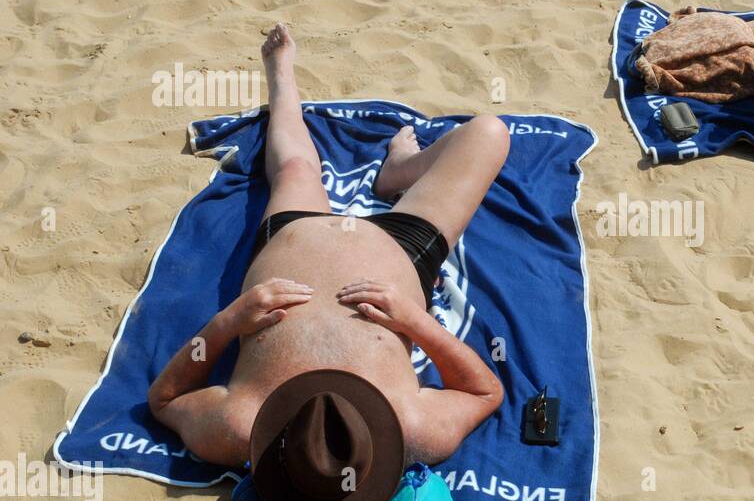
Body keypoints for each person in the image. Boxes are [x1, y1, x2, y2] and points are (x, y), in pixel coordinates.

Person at [147, 24, 507, 474]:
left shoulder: (240, 428)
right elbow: (484, 392)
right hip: (401, 254)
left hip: (293, 241)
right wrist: (415, 320)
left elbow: (165, 399)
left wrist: (229, 321)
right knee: (488, 133)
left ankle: (281, 79)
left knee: (296, 168)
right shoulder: (413, 431)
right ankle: (399, 172)